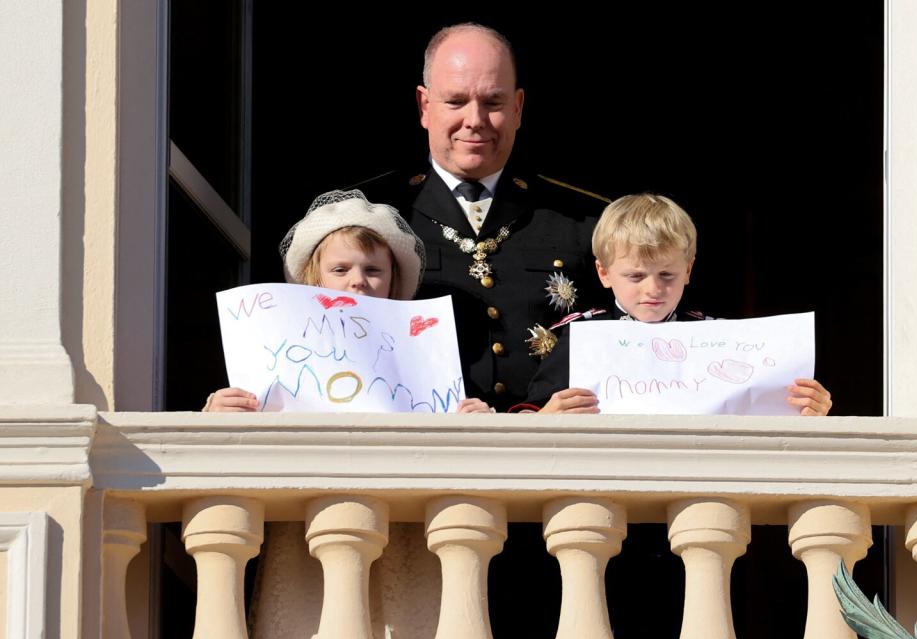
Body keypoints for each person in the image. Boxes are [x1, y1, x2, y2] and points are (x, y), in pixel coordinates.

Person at [356, 23, 607, 412]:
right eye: (455, 102)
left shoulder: (585, 220)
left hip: (554, 452)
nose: (475, 120)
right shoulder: (370, 214)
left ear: (518, 108)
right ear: (425, 106)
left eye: (493, 102)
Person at [526, 193, 834, 416]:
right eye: (635, 275)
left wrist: (809, 411)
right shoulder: (578, 338)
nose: (653, 289)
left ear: (688, 270)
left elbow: (770, 416)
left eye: (666, 274)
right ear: (603, 273)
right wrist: (545, 419)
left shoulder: (721, 338)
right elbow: (533, 414)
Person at [203, 189, 491, 414]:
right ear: (315, 280)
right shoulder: (272, 346)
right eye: (340, 270)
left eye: (373, 270)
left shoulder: (429, 357)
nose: (357, 281)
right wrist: (218, 413)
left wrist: (474, 422)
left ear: (394, 281)